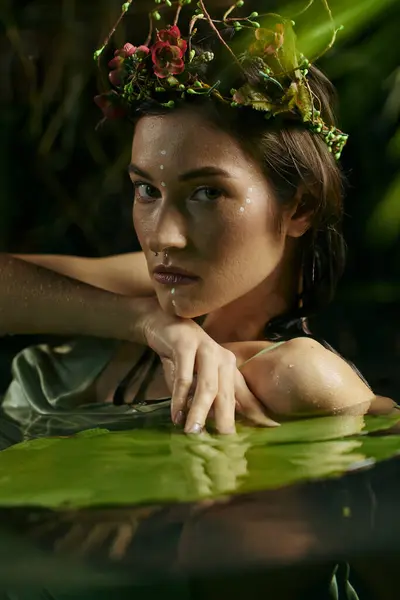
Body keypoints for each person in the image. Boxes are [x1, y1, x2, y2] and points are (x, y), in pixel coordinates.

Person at [0, 3, 388, 435]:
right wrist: (144, 323)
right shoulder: (152, 289)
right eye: (147, 189)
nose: (164, 237)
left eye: (208, 193)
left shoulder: (295, 376)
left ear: (301, 208)